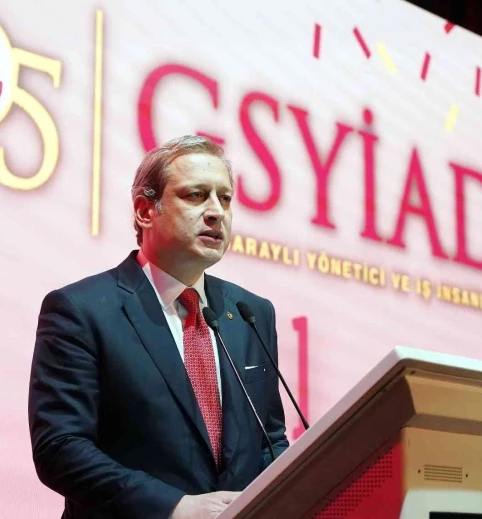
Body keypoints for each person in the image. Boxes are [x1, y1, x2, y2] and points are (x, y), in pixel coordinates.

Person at [28, 135, 289, 519]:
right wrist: (175, 508)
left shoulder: (252, 312)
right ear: (145, 211)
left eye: (225, 198)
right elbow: (60, 447)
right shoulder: (81, 310)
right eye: (196, 195)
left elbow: (269, 440)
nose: (216, 212)